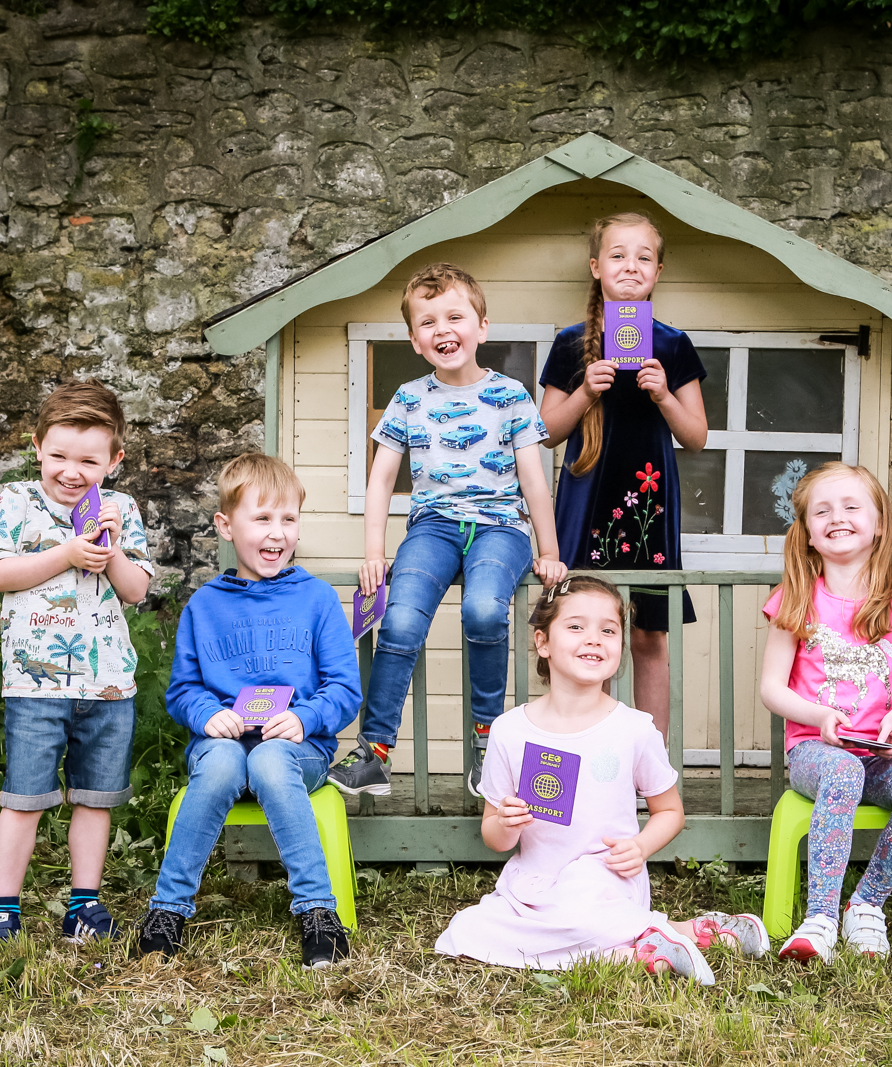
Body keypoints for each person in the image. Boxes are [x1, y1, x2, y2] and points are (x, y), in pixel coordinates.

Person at [435, 574, 769, 981]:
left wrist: (640, 847)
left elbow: (671, 811)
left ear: (620, 647)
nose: (594, 639)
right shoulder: (509, 730)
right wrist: (505, 824)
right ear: (543, 642)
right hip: (531, 887)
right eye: (576, 626)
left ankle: (650, 938)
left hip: (604, 879)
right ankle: (659, 943)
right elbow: (494, 835)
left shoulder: (634, 728)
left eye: (608, 630)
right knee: (465, 932)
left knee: (583, 914)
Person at [328, 263, 567, 800]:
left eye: (455, 316)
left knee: (485, 609)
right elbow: (381, 477)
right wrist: (373, 552)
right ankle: (374, 753)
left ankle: (490, 746)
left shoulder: (511, 397)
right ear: (415, 340)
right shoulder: (410, 399)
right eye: (428, 322)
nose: (443, 330)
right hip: (432, 528)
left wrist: (549, 552)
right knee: (400, 624)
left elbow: (535, 480)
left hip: (500, 528)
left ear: (482, 326)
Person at [137, 454, 361, 968]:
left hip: (295, 749)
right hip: (221, 745)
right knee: (220, 763)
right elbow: (183, 690)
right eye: (262, 519)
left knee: (266, 759)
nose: (276, 533)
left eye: (288, 519)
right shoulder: (203, 607)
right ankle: (168, 911)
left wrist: (305, 719)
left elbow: (345, 690)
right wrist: (205, 716)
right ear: (225, 525)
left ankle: (317, 911)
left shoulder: (317, 600)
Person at [0, 379, 154, 955]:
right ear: (37, 448)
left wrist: (113, 549)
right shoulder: (15, 502)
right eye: (58, 456)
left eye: (89, 460)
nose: (71, 471)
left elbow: (135, 592)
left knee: (94, 798)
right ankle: (4, 909)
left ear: (115, 459)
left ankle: (84, 903)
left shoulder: (121, 507)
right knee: (23, 798)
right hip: (33, 680)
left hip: (108, 685)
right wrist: (66, 554)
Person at [759, 463, 892, 962]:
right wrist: (819, 718)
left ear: (880, 523)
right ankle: (819, 917)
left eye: (850, 506)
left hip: (881, 753)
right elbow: (771, 687)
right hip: (816, 754)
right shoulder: (795, 599)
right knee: (841, 773)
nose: (836, 517)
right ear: (809, 534)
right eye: (822, 511)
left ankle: (865, 904)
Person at [538, 212, 709, 741]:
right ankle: (592, 752)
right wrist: (587, 391)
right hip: (587, 508)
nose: (630, 266)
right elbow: (545, 431)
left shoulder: (673, 344)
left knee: (648, 638)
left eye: (643, 257)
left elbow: (697, 436)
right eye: (617, 255)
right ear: (596, 268)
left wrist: (662, 394)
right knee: (587, 636)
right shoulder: (570, 343)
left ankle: (648, 762)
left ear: (657, 271)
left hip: (649, 513)